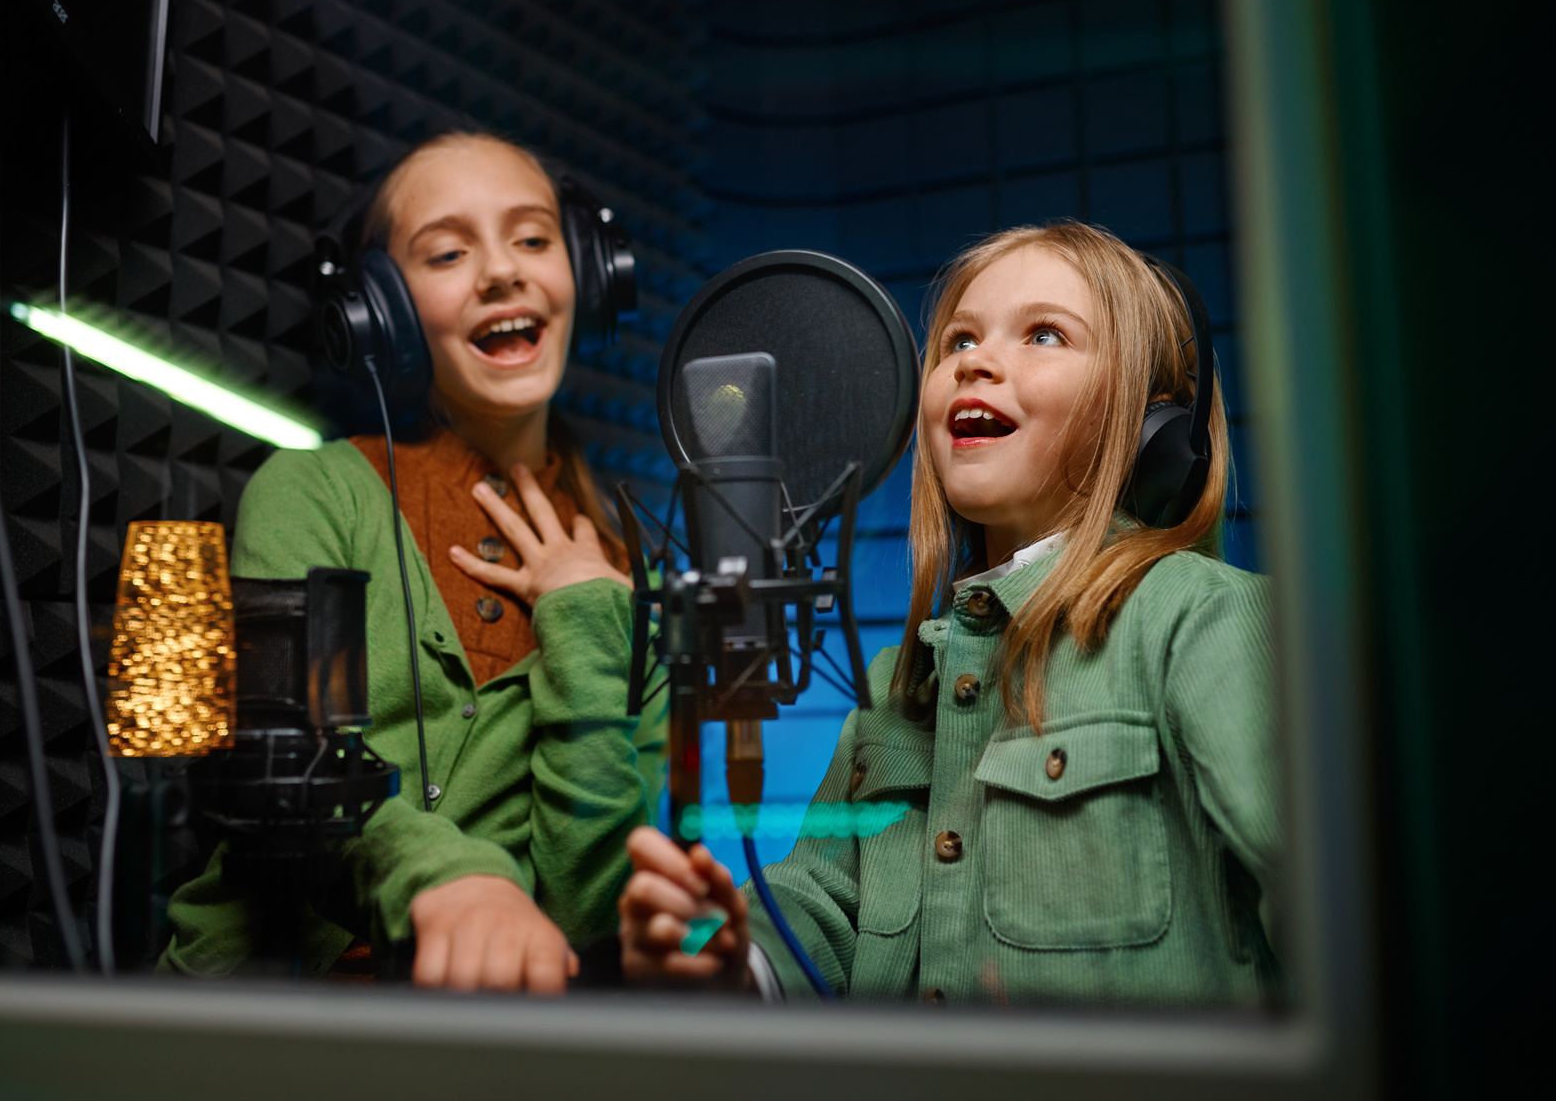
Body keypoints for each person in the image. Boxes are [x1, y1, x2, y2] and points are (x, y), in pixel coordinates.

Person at [618, 221, 1281, 1007]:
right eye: (957, 340)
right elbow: (820, 906)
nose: (974, 360)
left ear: (1149, 423)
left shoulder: (1199, 623)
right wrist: (731, 956)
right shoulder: (896, 687)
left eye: (1043, 334)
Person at [162, 132, 666, 993]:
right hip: (271, 1010)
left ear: (587, 269)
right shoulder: (313, 493)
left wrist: (584, 623)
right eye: (446, 252)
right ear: (378, 309)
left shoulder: (626, 572)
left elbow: (591, 910)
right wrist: (447, 882)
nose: (502, 272)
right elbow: (280, 770)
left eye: (534, 238)